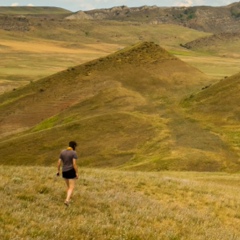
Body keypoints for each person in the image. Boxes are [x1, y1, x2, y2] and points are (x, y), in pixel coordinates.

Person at [57, 141, 78, 206]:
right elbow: (74, 164)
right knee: (71, 187)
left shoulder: (62, 152)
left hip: (64, 171)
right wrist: (76, 172)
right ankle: (67, 200)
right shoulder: (74, 153)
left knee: (68, 186)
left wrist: (58, 171)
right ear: (74, 146)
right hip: (71, 171)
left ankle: (69, 198)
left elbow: (59, 163)